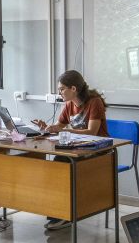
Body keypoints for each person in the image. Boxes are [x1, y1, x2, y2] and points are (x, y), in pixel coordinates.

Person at [33, 70, 108, 231]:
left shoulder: (95, 102)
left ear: (73, 88)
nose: (59, 92)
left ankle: (63, 215)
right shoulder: (68, 105)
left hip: (99, 150)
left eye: (61, 89)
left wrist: (64, 131)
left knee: (60, 164)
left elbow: (92, 132)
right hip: (77, 149)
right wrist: (47, 128)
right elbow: (59, 127)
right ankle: (58, 213)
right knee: (57, 166)